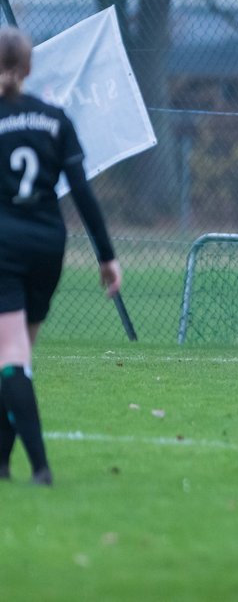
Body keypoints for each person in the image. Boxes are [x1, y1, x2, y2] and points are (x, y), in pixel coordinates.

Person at [0, 27, 122, 485]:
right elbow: (83, 193)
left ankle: (40, 468)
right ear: (29, 69)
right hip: (49, 244)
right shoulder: (55, 118)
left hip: (5, 245)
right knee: (16, 357)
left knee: (10, 356)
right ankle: (2, 465)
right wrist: (107, 256)